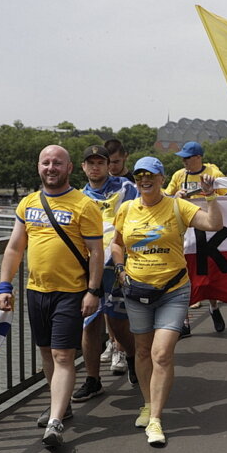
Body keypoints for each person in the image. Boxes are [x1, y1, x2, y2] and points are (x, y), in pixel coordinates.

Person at [0, 145, 104, 448]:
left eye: (58, 163)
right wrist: (4, 285)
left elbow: (96, 252)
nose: (51, 168)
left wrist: (93, 290)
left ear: (70, 168)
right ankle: (62, 404)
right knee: (46, 352)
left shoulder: (84, 205)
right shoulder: (28, 203)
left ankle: (55, 422)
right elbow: (16, 247)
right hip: (36, 290)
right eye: (46, 163)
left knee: (63, 355)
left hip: (71, 292)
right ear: (38, 167)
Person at [111, 156, 223, 447]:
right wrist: (120, 269)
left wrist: (210, 197)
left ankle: (157, 420)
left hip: (173, 290)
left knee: (162, 353)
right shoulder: (126, 209)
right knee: (143, 351)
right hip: (136, 290)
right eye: (139, 176)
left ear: (162, 178)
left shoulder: (177, 205)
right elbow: (116, 242)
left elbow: (213, 224)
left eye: (150, 175)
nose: (144, 180)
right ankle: (147, 404)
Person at [71, 145, 140, 404]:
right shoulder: (77, 197)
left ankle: (132, 357)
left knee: (119, 323)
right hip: (89, 269)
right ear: (83, 167)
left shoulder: (125, 187)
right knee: (89, 322)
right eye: (90, 163)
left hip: (118, 267)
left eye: (100, 162)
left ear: (107, 164)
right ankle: (93, 380)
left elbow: (140, 216)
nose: (95, 167)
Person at [164, 140, 227, 334]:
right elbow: (165, 197)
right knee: (184, 271)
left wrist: (211, 191)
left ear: (198, 157)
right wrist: (176, 196)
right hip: (184, 230)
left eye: (187, 158)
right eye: (182, 158)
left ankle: (213, 307)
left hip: (206, 227)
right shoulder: (178, 175)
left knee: (206, 269)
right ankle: (184, 321)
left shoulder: (214, 174)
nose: (183, 161)